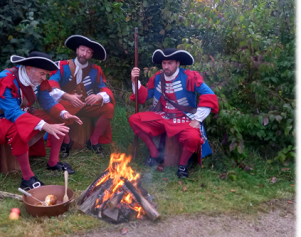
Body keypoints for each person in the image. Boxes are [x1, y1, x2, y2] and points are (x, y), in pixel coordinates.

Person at [0, 51, 82, 190]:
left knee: (55, 118)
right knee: (19, 129)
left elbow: (46, 101)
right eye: (42, 73)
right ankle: (27, 178)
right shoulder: (5, 79)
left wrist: (63, 114)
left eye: (46, 74)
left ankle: (53, 162)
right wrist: (44, 125)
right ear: (29, 69)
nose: (44, 77)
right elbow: (11, 112)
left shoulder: (38, 80)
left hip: (19, 114)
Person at [129, 48, 219, 178]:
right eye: (164, 63)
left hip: (184, 118)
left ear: (178, 63)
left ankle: (182, 166)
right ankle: (154, 154)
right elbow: (145, 95)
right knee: (134, 119)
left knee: (193, 137)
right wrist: (134, 81)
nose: (166, 66)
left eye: (170, 63)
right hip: (163, 116)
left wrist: (197, 119)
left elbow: (209, 94)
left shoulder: (190, 76)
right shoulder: (157, 78)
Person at [48, 35, 115, 157]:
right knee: (55, 107)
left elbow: (103, 87)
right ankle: (66, 141)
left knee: (109, 107)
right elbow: (52, 84)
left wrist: (99, 96)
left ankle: (93, 141)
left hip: (86, 105)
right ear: (77, 50)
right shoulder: (62, 66)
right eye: (83, 50)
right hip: (66, 105)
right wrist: (67, 96)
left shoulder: (96, 70)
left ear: (91, 55)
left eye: (88, 52)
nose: (84, 54)